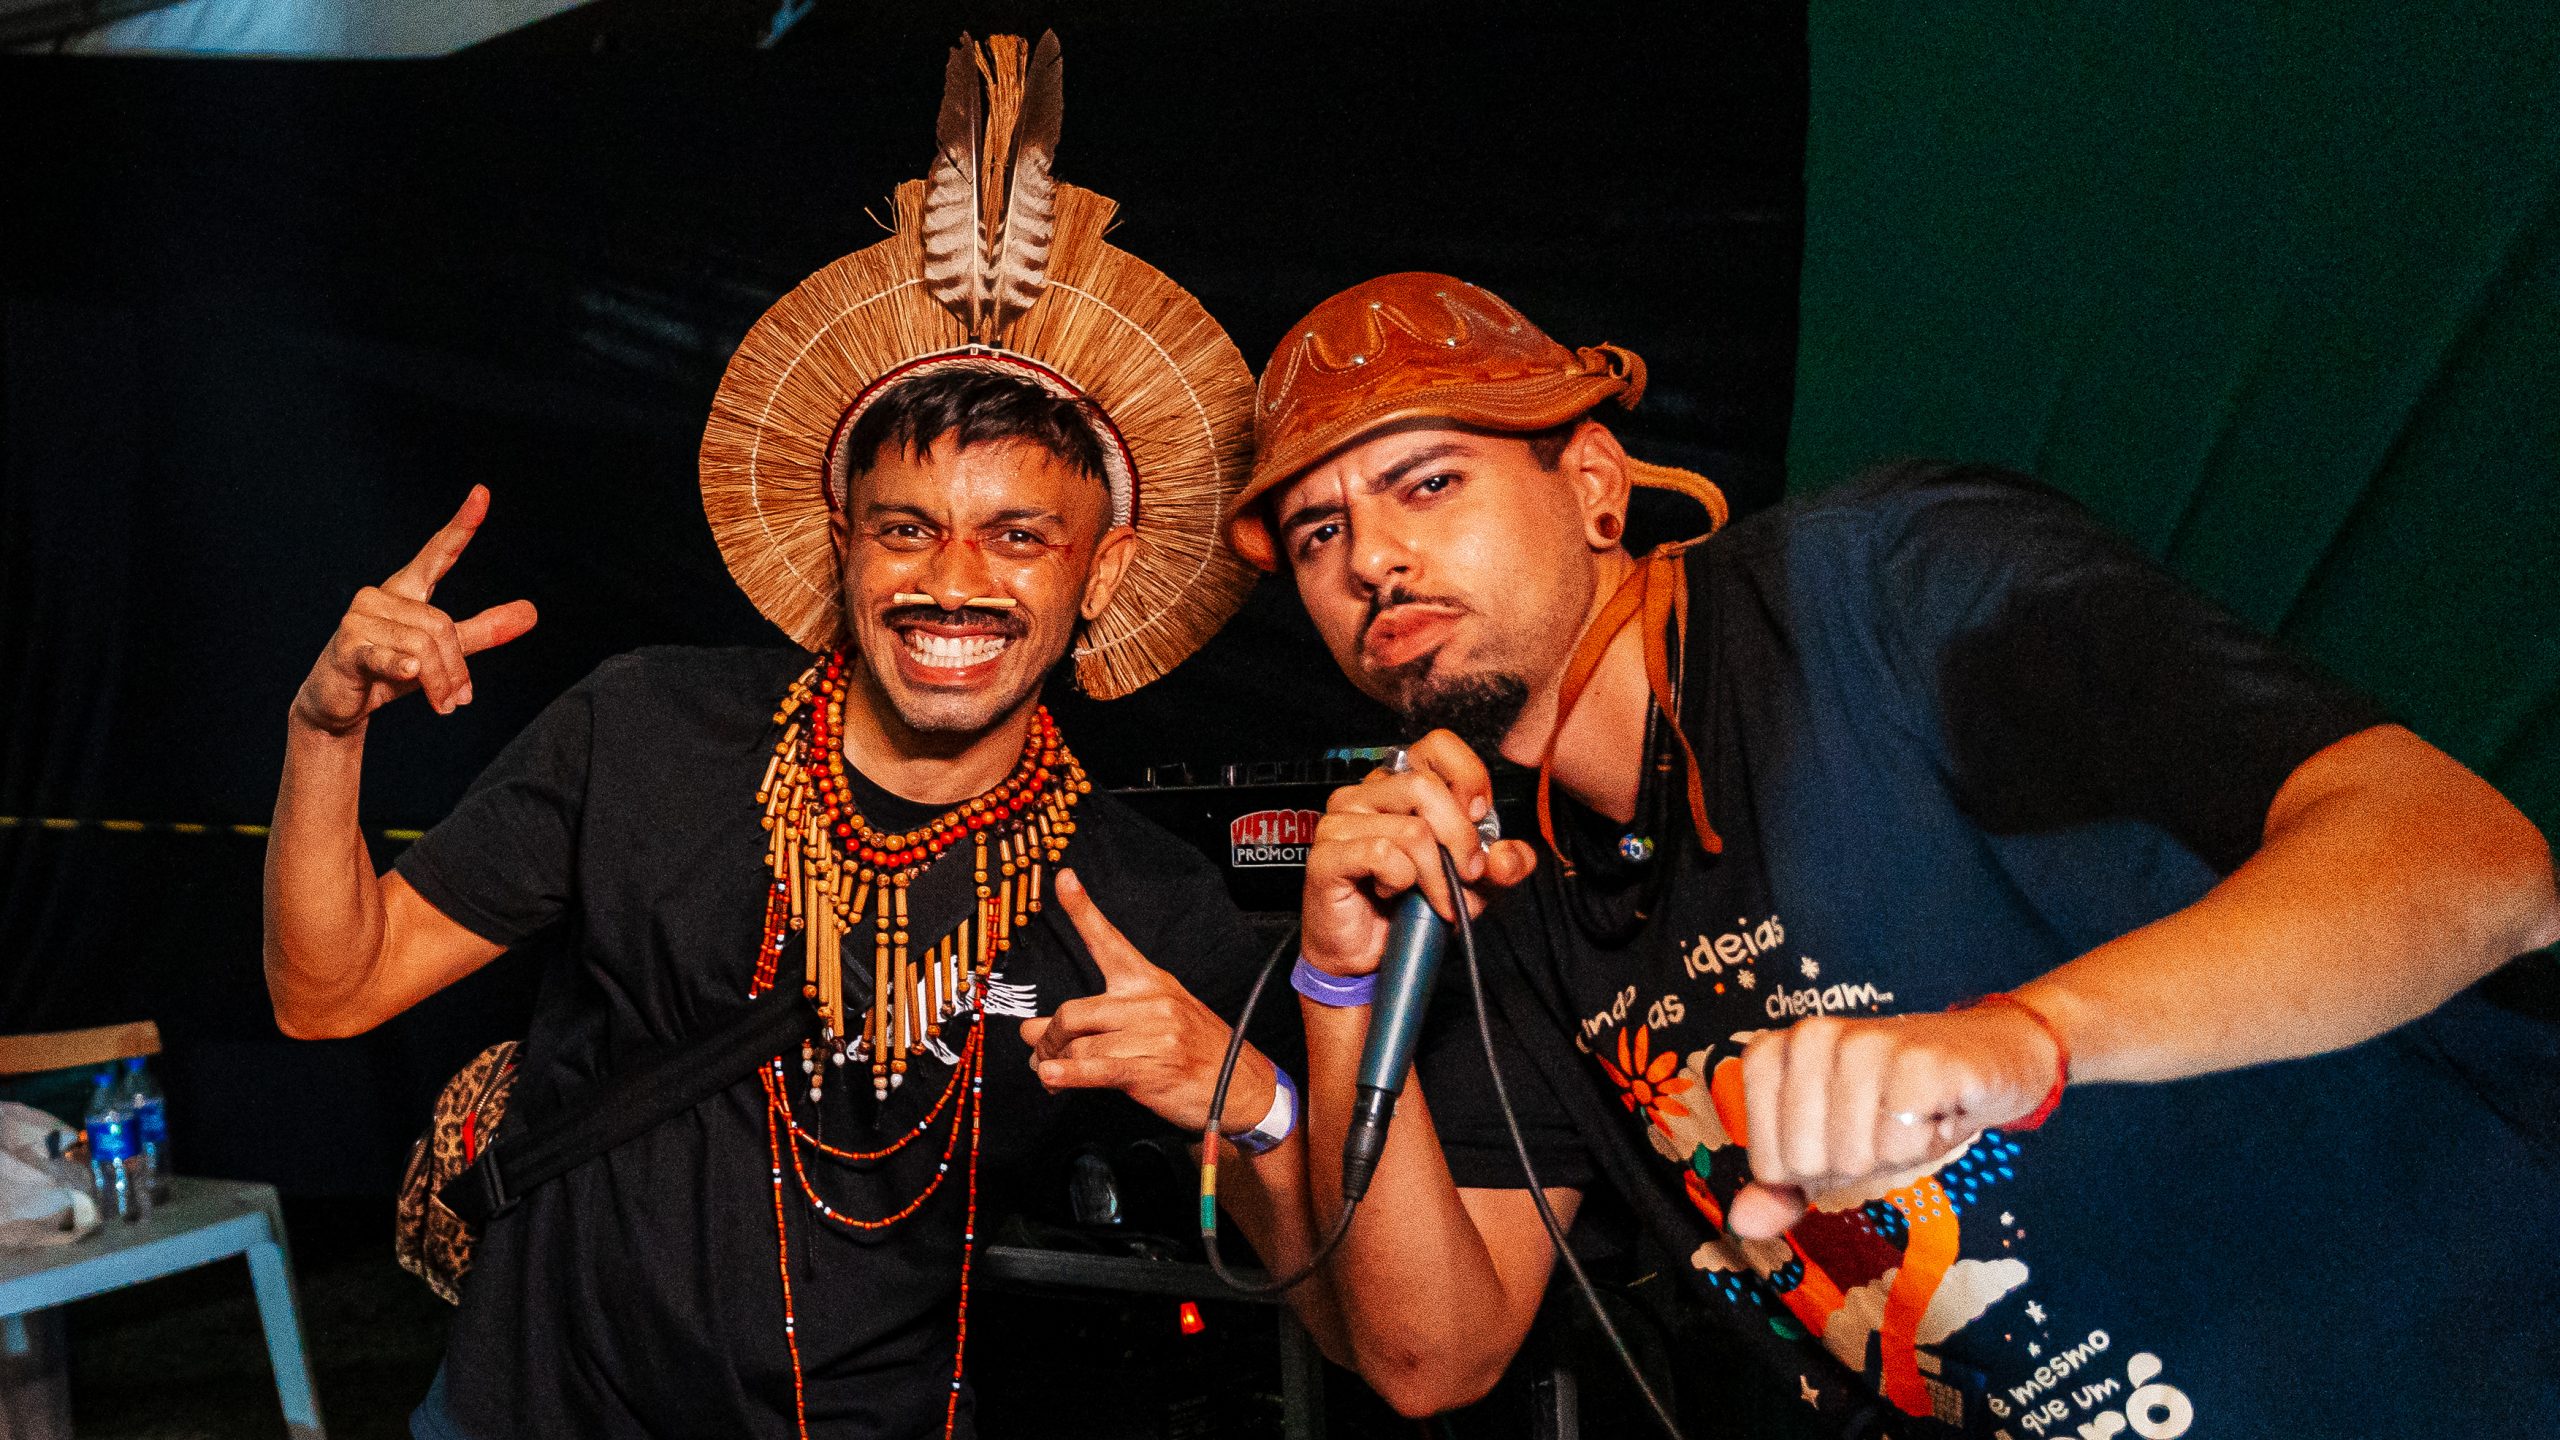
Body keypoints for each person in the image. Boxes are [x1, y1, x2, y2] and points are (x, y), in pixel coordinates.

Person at [1223, 272, 2560, 1437]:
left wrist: (2019, 1041)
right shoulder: (1505, 879)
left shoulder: (1883, 587)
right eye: (1319, 533)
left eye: (1428, 482)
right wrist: (1339, 985)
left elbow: (2482, 864)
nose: (1374, 559)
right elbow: (1431, 1357)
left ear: (1592, 486)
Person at [263, 36, 1322, 1439]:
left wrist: (1251, 1101)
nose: (953, 582)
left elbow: (1341, 1293)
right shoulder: (644, 730)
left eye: (1019, 536)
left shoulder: (1137, 901)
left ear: (1104, 572)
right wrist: (322, 731)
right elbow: (327, 993)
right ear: (844, 545)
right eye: (906, 528)